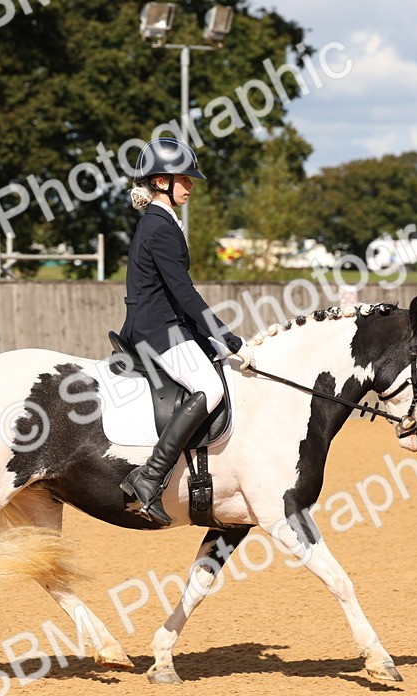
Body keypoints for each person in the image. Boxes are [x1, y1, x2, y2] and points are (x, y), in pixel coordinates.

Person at [118, 137, 255, 526]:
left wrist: (214, 341)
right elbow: (183, 292)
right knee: (210, 389)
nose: (191, 185)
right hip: (156, 329)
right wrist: (227, 337)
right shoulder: (159, 227)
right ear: (161, 181)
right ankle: (149, 477)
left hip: (167, 323)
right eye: (185, 179)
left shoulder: (162, 221)